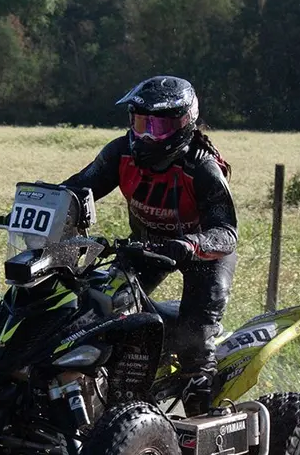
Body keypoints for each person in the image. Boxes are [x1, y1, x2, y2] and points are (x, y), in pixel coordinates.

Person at [61, 75, 238, 415]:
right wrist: (36, 206)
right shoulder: (120, 153)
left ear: (184, 124)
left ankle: (201, 407)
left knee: (194, 333)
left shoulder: (201, 167)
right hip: (148, 248)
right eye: (139, 123)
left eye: (156, 127)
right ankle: (106, 394)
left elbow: (226, 233)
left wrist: (190, 244)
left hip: (204, 254)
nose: (145, 135)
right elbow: (78, 188)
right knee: (100, 307)